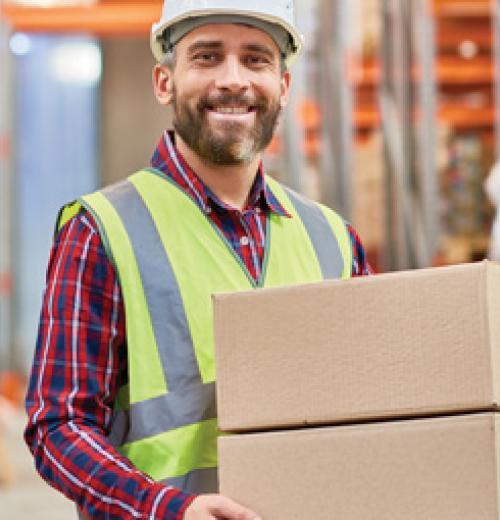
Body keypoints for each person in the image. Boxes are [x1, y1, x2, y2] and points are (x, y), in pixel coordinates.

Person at [24, 1, 372, 518]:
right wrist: (167, 508)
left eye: (255, 60)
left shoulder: (334, 239)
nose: (233, 80)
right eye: (207, 57)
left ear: (284, 86)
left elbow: (377, 411)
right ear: (165, 82)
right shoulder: (101, 229)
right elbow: (58, 425)